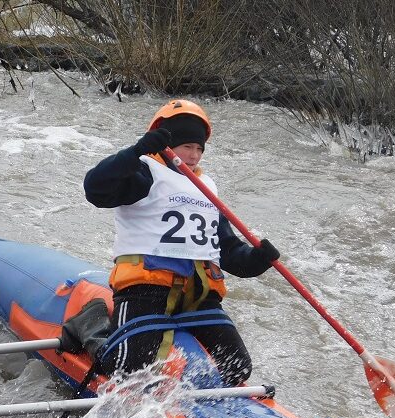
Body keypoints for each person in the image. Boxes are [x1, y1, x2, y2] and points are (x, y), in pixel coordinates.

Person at [83, 99, 280, 386]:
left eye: (199, 148)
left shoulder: (205, 188)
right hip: (146, 290)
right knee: (126, 370)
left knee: (239, 367)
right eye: (187, 146)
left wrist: (258, 259)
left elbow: (229, 251)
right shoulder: (143, 173)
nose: (194, 155)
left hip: (198, 296)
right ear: (167, 144)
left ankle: (191, 398)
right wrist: (136, 151)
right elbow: (94, 188)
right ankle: (91, 327)